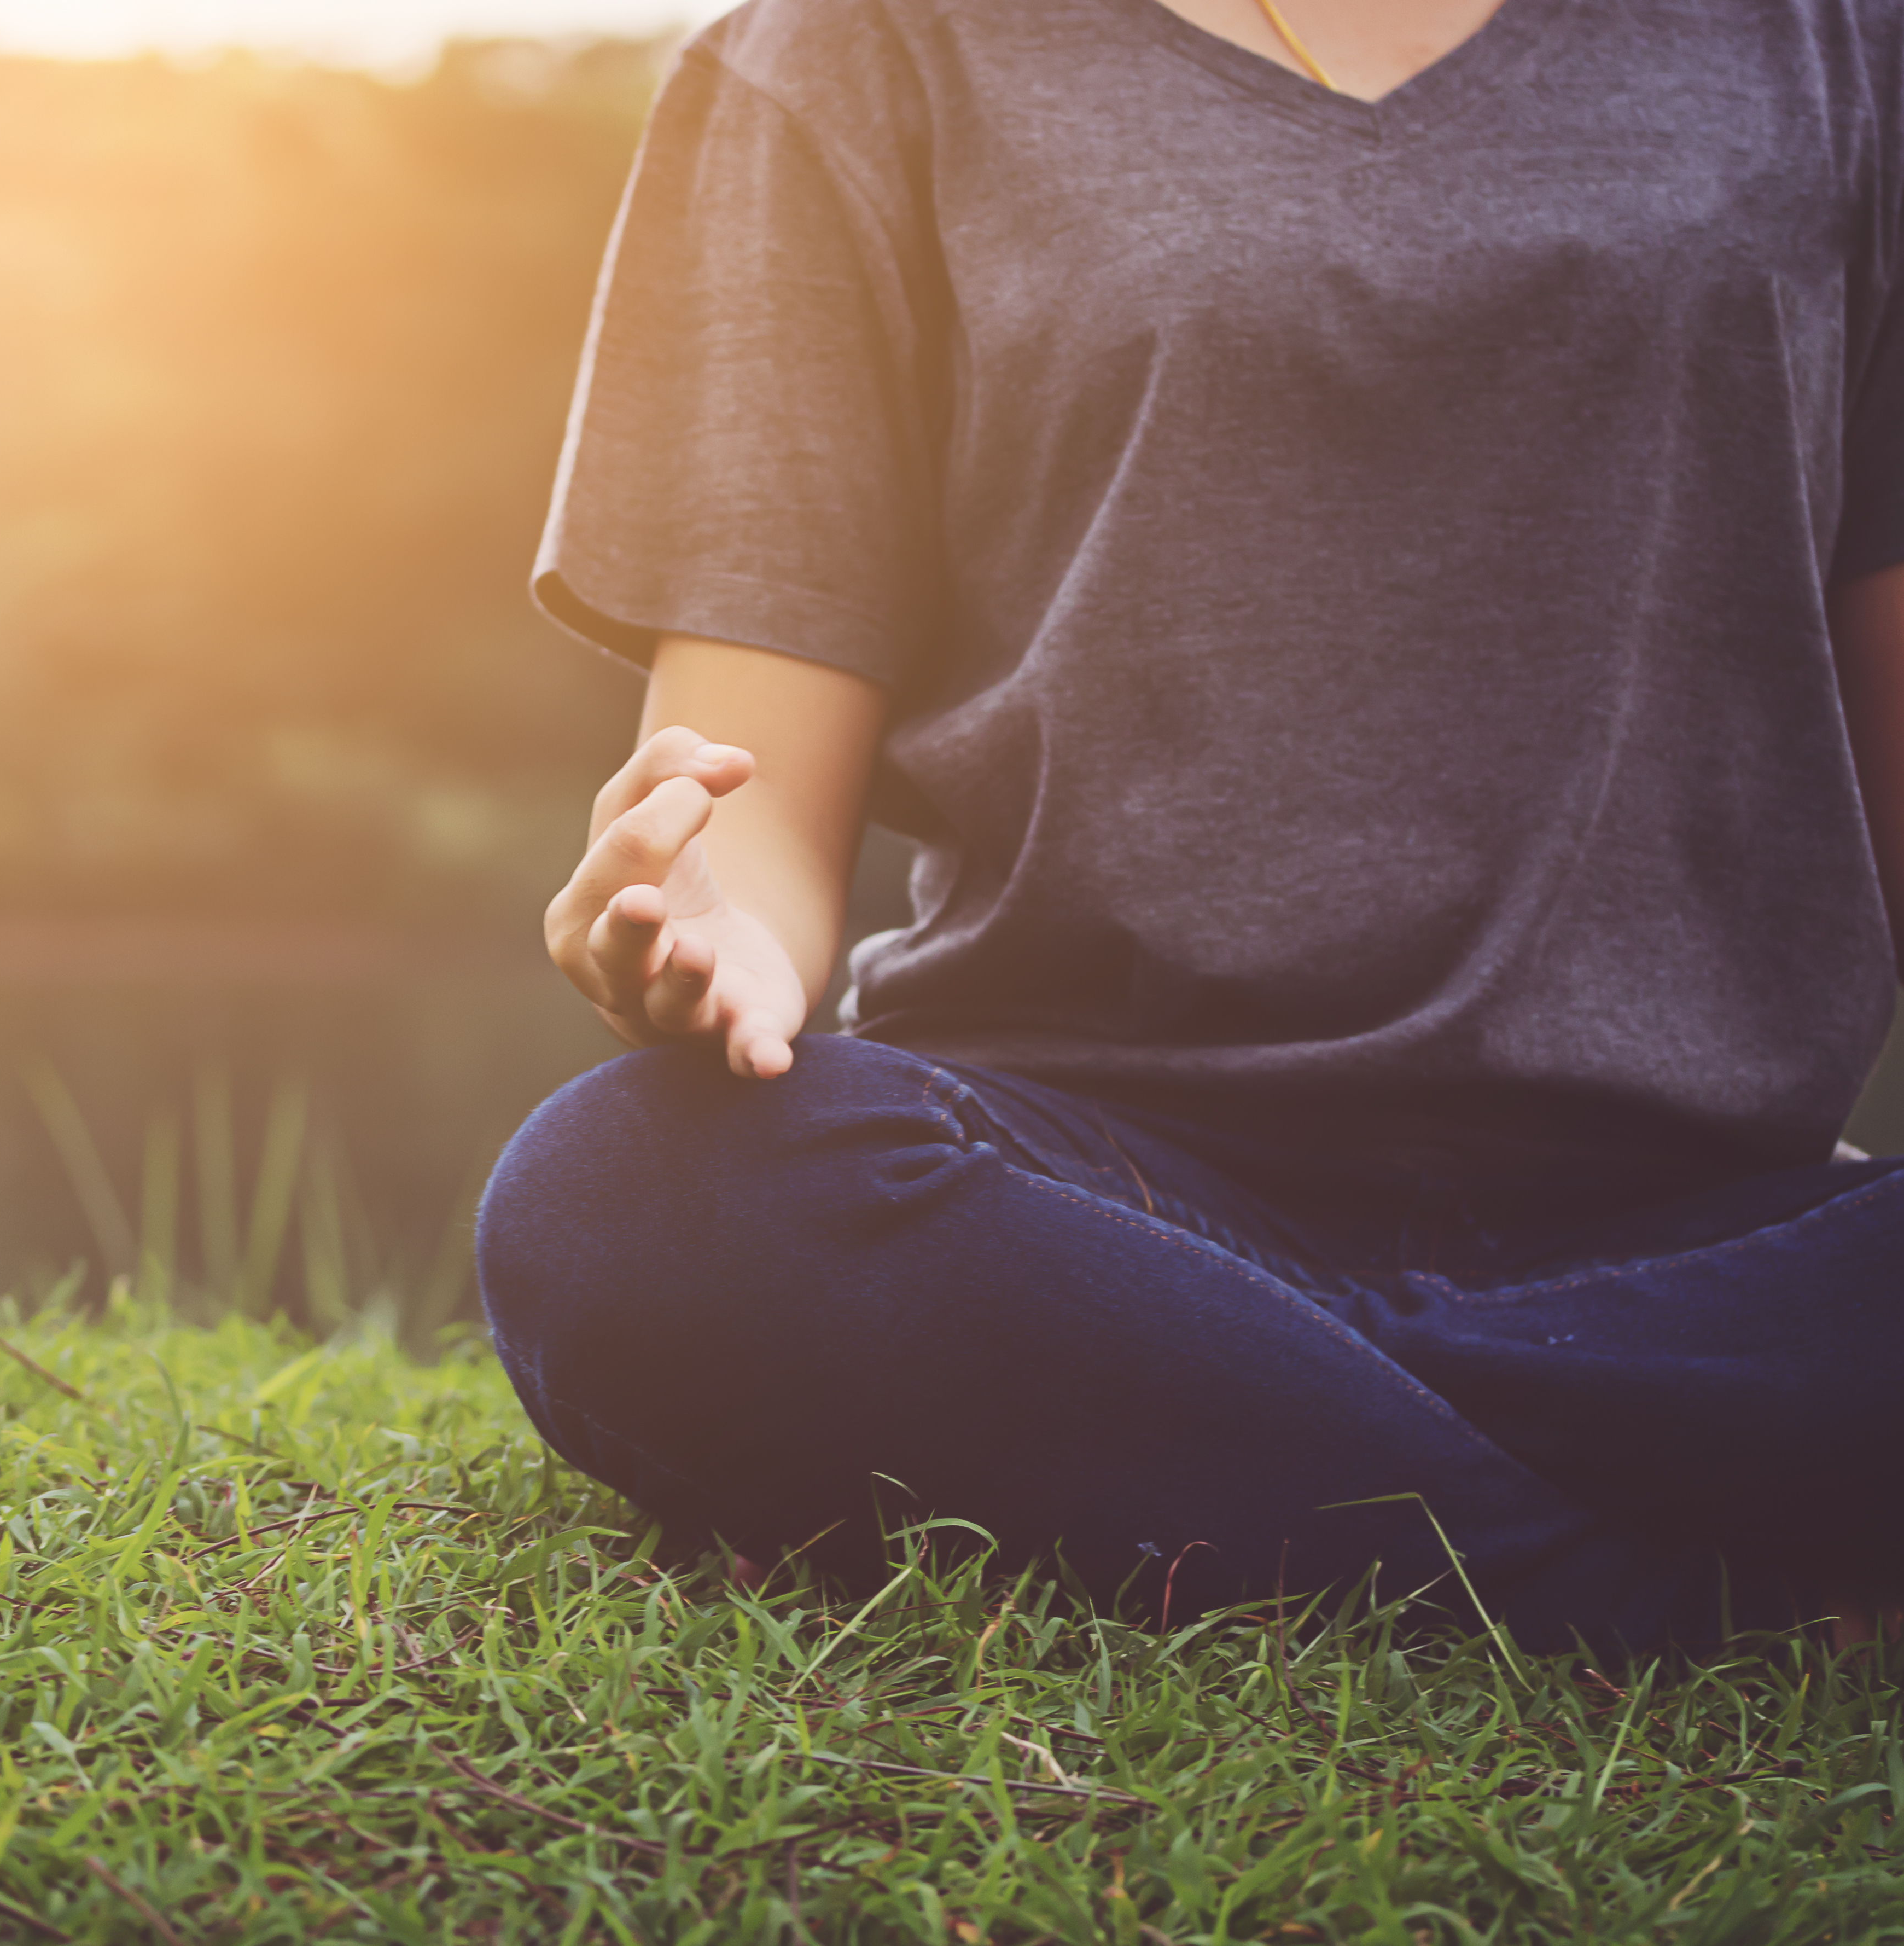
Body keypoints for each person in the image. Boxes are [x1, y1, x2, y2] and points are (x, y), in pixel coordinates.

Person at [475, 0, 1904, 1657]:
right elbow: (753, 785)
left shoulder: (1837, 39)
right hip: (1095, 1190)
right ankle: (1704, 1614)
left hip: (1698, 1206)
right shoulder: (849, 53)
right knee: (633, 1202)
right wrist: (717, 921)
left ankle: (1242, 1433)